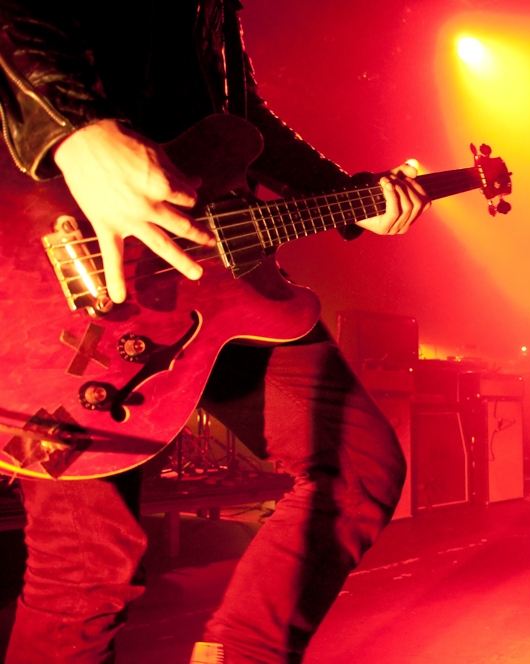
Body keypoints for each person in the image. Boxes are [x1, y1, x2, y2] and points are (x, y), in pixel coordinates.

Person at [0, 1, 429, 662]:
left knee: (358, 464)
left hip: (213, 280)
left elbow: (243, 120)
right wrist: (72, 130)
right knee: (86, 569)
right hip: (61, 251)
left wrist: (357, 198)